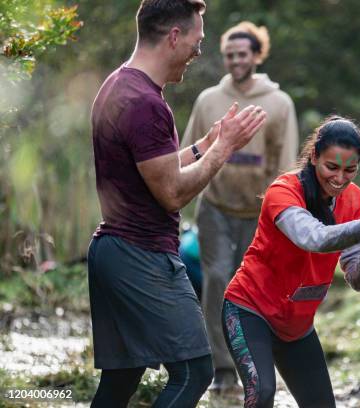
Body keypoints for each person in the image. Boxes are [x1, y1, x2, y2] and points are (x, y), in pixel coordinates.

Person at [88, 0, 267, 406]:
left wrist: (205, 145)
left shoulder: (119, 84)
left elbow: (155, 169)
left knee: (122, 377)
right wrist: (224, 149)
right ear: (173, 37)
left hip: (112, 250)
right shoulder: (147, 104)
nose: (197, 53)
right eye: (197, 42)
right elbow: (171, 193)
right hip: (142, 254)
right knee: (194, 371)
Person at [221, 116, 360, 408]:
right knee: (262, 393)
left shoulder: (353, 198)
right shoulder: (283, 191)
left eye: (350, 170)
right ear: (314, 156)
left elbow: (359, 280)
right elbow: (315, 239)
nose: (340, 179)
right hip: (249, 310)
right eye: (332, 167)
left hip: (298, 324)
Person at [181, 20, 299, 391]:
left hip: (258, 210)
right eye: (229, 54)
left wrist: (282, 211)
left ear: (256, 55)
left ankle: (252, 364)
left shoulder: (278, 102)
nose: (235, 60)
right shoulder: (209, 100)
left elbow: (287, 159)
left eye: (242, 54)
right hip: (215, 205)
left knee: (250, 287)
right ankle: (221, 368)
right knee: (216, 280)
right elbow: (188, 150)